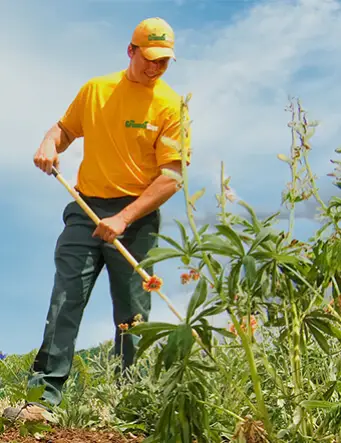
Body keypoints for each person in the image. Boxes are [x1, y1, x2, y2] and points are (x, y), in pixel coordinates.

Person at [3, 16, 190, 421]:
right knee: (66, 299)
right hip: (85, 209)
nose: (156, 67)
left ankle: (130, 405)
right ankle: (41, 399)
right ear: (131, 51)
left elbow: (172, 176)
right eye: (150, 58)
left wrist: (124, 217)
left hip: (136, 218)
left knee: (132, 313)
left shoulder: (171, 105)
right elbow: (64, 130)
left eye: (164, 61)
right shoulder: (97, 90)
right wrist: (48, 144)